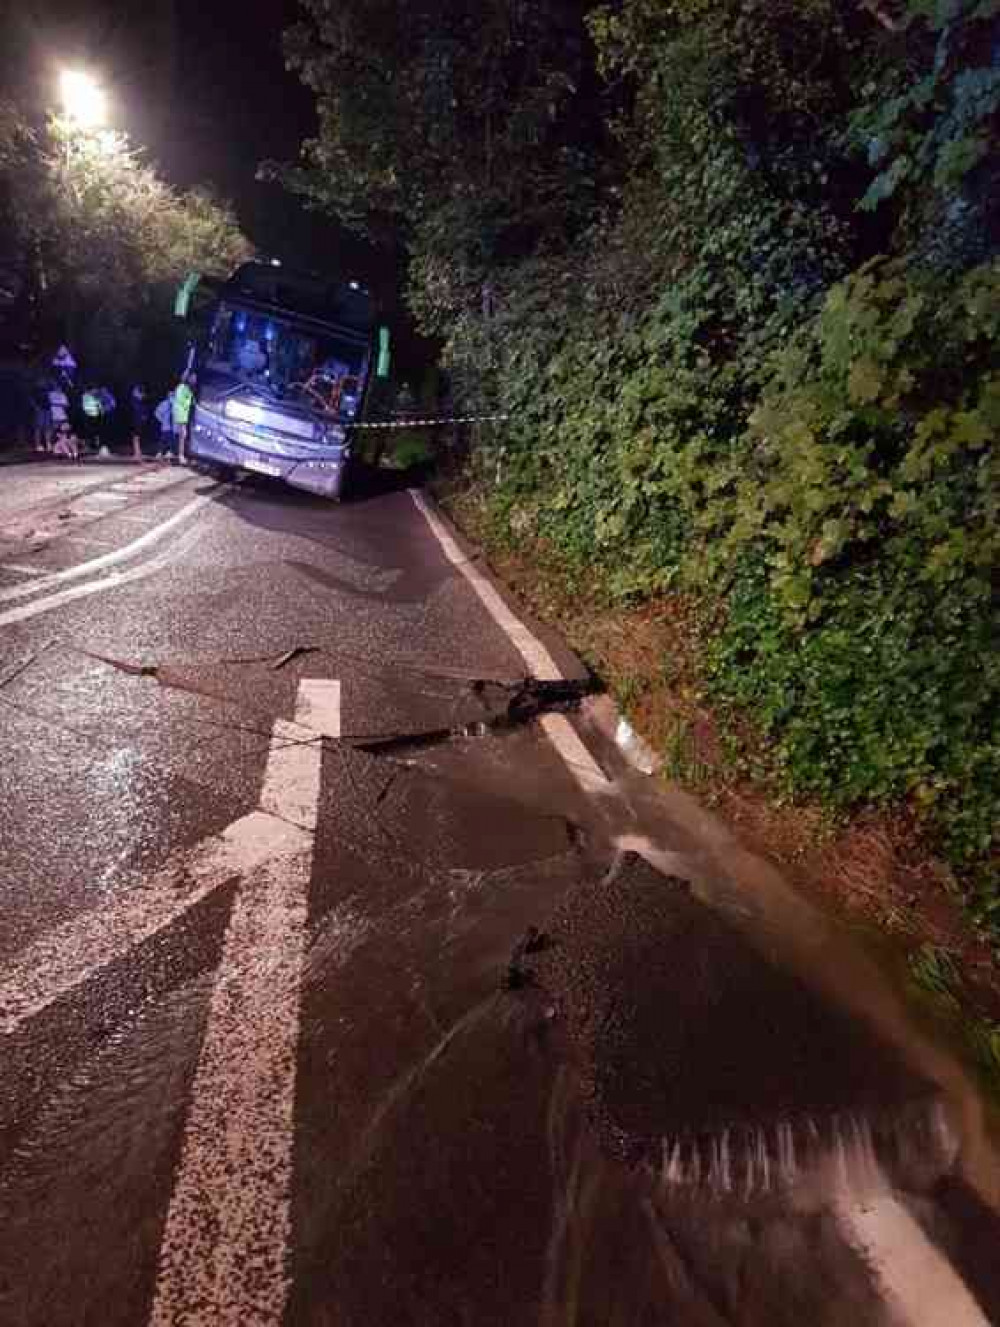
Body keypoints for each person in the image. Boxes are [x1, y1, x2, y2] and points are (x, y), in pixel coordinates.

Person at [172, 373, 196, 464]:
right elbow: (181, 401)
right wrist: (189, 403)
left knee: (183, 435)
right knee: (182, 435)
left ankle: (180, 455)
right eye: (193, 378)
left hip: (183, 415)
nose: (194, 380)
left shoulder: (187, 389)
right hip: (181, 415)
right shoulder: (182, 388)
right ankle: (180, 455)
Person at [129, 383, 151, 460]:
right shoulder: (134, 401)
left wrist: (144, 417)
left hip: (139, 421)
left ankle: (138, 453)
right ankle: (137, 453)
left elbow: (144, 410)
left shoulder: (140, 401)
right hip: (136, 421)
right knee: (136, 437)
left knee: (137, 437)